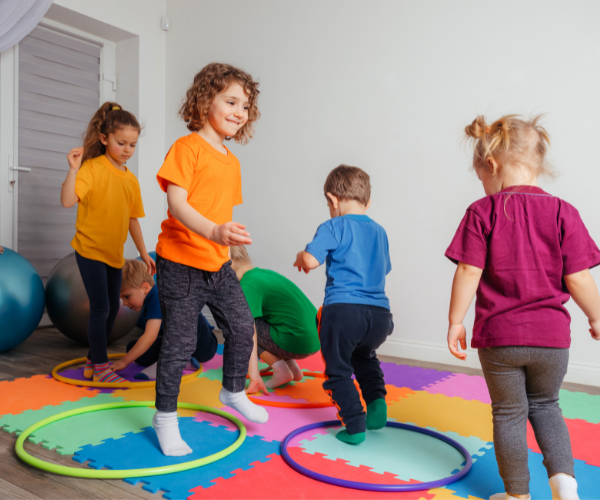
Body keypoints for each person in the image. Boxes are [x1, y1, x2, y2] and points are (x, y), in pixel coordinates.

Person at [446, 115, 600, 500]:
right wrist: (597, 315)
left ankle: (517, 496)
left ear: (493, 165)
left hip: (501, 341)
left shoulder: (482, 212)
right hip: (552, 341)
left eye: (481, 175)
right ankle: (566, 487)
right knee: (547, 406)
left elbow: (468, 269)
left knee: (509, 414)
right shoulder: (565, 212)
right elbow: (578, 278)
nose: (482, 185)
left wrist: (455, 321)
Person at [153, 63, 267, 457]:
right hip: (180, 264)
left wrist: (227, 236)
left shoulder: (231, 161)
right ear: (205, 104)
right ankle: (165, 419)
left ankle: (233, 390)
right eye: (231, 101)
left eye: (245, 105)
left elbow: (222, 214)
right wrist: (215, 231)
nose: (240, 111)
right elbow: (177, 204)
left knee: (241, 326)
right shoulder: (186, 149)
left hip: (217, 264)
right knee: (179, 342)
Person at [293, 165, 394, 445]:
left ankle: (354, 425)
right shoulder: (380, 231)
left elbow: (312, 261)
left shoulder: (333, 225)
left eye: (329, 204)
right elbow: (383, 269)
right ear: (367, 202)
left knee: (338, 369)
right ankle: (377, 407)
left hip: (343, 312)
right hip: (380, 317)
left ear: (333, 199)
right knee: (364, 357)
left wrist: (302, 255)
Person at [60, 102, 155, 384]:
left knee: (114, 308)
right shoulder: (91, 168)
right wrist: (73, 169)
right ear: (104, 139)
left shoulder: (130, 180)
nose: (127, 150)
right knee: (101, 307)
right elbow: (67, 201)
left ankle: (92, 361)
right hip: (89, 249)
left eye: (132, 145)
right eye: (121, 142)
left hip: (114, 253)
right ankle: (101, 368)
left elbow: (132, 220)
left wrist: (141, 253)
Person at [229, 246, 320, 393]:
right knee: (274, 320)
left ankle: (281, 369)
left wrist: (254, 375)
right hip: (316, 338)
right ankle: (293, 369)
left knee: (239, 327)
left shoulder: (248, 285)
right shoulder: (262, 274)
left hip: (296, 340)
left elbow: (246, 332)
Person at [116, 259, 218, 380]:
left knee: (186, 313)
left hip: (203, 346)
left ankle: (172, 362)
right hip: (179, 344)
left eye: (127, 296)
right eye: (122, 298)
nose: (125, 303)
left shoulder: (156, 297)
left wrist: (124, 362)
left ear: (145, 287)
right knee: (132, 348)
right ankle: (182, 360)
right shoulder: (151, 299)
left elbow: (150, 336)